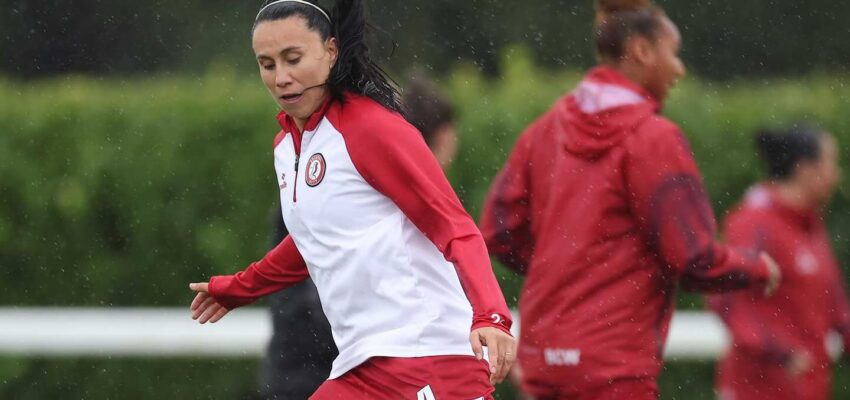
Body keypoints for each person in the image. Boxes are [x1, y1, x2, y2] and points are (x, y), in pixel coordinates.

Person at [188, 1, 515, 398]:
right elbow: (313, 240)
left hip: (428, 355)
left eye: (293, 59)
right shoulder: (287, 148)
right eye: (267, 64)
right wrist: (238, 288)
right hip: (361, 367)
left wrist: (492, 315)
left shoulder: (371, 128)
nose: (282, 77)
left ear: (331, 51)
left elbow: (454, 227)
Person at [479, 0, 781, 398]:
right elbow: (694, 258)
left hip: (542, 362)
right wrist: (757, 267)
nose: (679, 69)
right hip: (614, 370)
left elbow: (499, 231)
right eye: (674, 53)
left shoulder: (545, 130)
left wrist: (567, 265)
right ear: (642, 51)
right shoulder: (655, 139)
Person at [259, 74, 460, 399]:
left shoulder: (332, 172)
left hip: (324, 367)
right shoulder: (358, 189)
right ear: (442, 138)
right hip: (322, 370)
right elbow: (323, 292)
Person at [708, 125, 850, 400]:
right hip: (759, 390)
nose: (837, 174)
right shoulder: (754, 223)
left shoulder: (810, 225)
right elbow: (724, 296)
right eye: (831, 163)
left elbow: (834, 304)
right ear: (805, 169)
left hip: (807, 388)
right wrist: (776, 351)